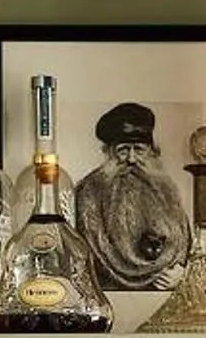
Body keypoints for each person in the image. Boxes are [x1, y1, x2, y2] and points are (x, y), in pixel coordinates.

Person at [75, 101, 191, 290]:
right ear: (108, 152)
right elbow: (85, 257)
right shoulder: (89, 191)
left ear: (152, 152)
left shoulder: (167, 191)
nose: (130, 159)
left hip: (166, 297)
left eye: (138, 150)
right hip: (112, 297)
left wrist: (183, 274)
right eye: (123, 150)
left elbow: (186, 245)